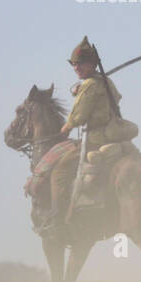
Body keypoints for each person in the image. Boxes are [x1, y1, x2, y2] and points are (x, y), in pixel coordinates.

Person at [44, 36, 124, 237]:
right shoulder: (104, 82)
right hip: (113, 135)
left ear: (92, 64)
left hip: (95, 138)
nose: (76, 68)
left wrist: (63, 130)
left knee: (59, 173)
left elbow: (78, 116)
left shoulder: (90, 84)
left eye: (81, 64)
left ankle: (57, 220)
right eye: (75, 64)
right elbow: (117, 98)